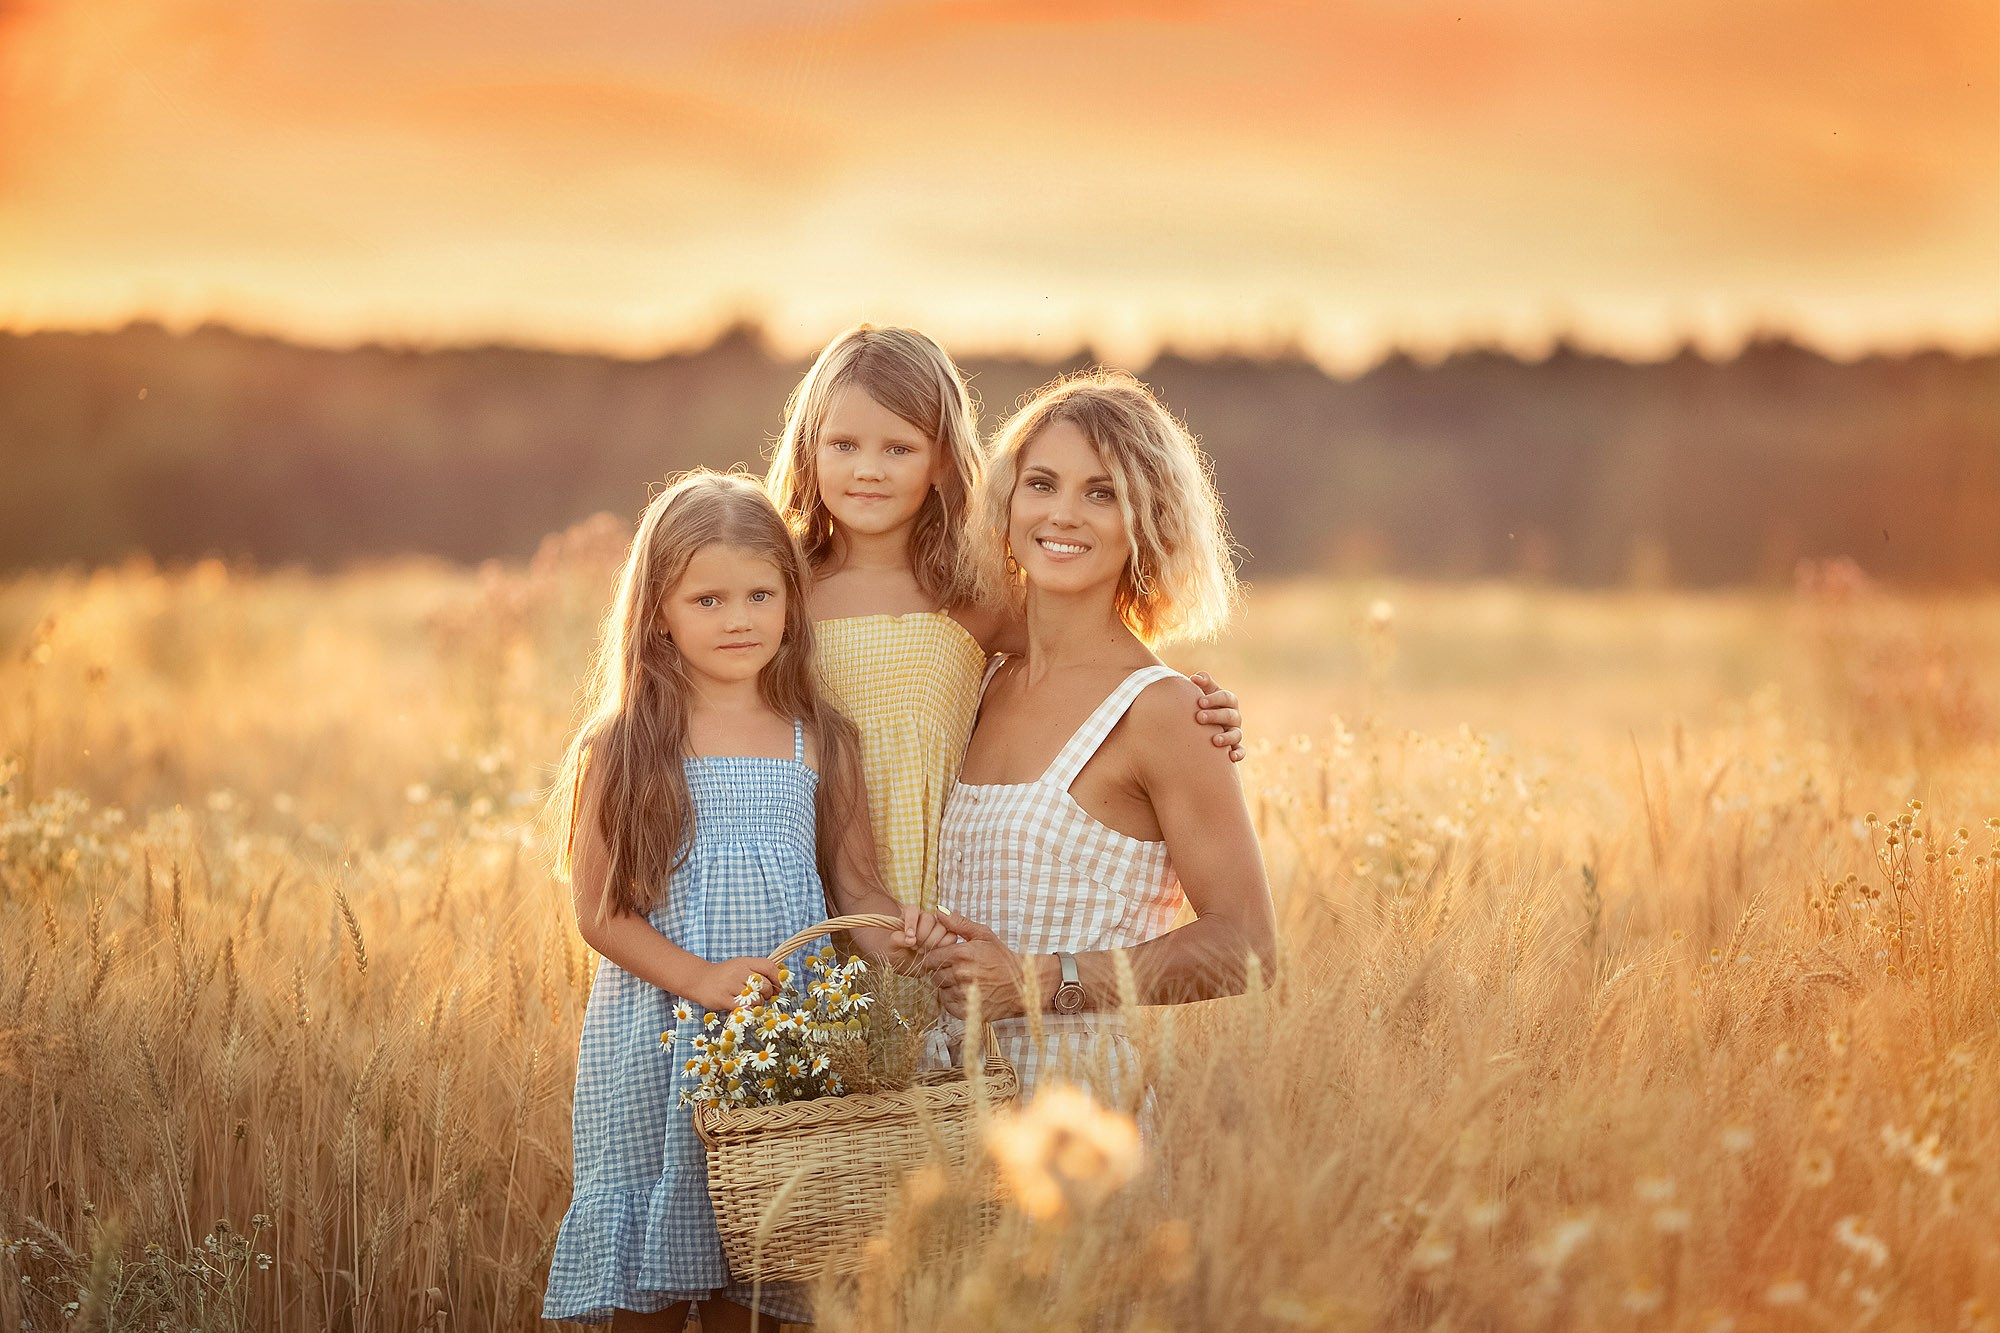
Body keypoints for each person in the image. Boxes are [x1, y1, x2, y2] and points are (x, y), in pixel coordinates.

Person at [540, 471, 946, 1331]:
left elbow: (856, 883)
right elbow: (600, 913)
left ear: (792, 604)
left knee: (758, 1279)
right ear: (658, 610)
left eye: (762, 594)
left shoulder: (821, 738)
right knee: (651, 1293)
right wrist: (701, 978)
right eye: (709, 598)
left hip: (781, 1041)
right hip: (657, 1037)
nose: (739, 618)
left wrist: (898, 934)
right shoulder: (622, 745)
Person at [765, 325, 1247, 926]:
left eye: (898, 449)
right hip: (786, 898)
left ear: (943, 460)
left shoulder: (974, 600)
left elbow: (1093, 656)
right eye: (843, 445)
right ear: (809, 451)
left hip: (918, 916)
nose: (869, 470)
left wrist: (1201, 708)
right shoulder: (774, 595)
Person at [923, 370, 1279, 1104]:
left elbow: (1247, 947)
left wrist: (1041, 980)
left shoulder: (1164, 711)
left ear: (1146, 518)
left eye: (1102, 492)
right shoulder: (978, 679)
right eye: (1042, 483)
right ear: (1008, 502)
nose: (1064, 515)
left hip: (1078, 1109)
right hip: (942, 1106)